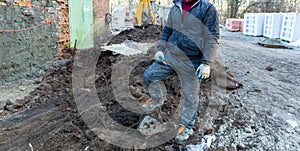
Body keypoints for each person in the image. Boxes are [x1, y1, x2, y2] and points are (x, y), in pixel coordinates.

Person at [142, 0, 219, 144]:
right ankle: (157, 98)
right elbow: (167, 31)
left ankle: (186, 126)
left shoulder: (207, 8)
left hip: (192, 61)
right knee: (149, 75)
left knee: (190, 96)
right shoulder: (175, 8)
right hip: (171, 56)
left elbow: (212, 37)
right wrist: (160, 49)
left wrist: (206, 63)